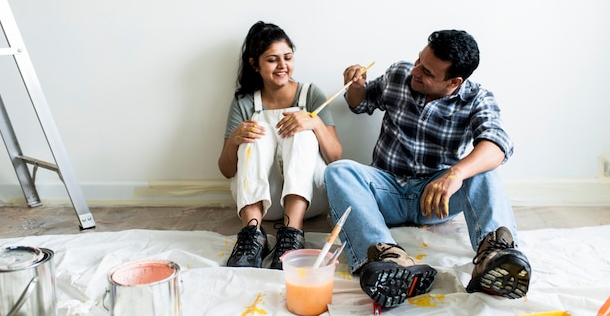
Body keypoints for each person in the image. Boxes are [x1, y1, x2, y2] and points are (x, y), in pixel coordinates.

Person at [324, 30, 531, 308]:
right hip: (386, 189)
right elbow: (360, 103)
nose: (415, 71)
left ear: (454, 81)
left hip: (435, 199)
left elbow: (497, 145)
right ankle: (387, 258)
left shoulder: (477, 98)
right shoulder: (399, 74)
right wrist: (355, 85)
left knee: (484, 170)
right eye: (419, 60)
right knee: (338, 170)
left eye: (428, 72)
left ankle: (493, 256)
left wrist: (454, 174)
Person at [218, 21, 342, 270]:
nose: (283, 66)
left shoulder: (310, 94)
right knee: (254, 131)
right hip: (263, 203)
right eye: (272, 59)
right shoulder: (244, 101)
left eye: (287, 57)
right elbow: (226, 170)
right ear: (255, 64)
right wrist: (235, 139)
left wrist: (313, 123)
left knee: (303, 131)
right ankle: (251, 235)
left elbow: (336, 159)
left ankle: (292, 234)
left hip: (309, 198)